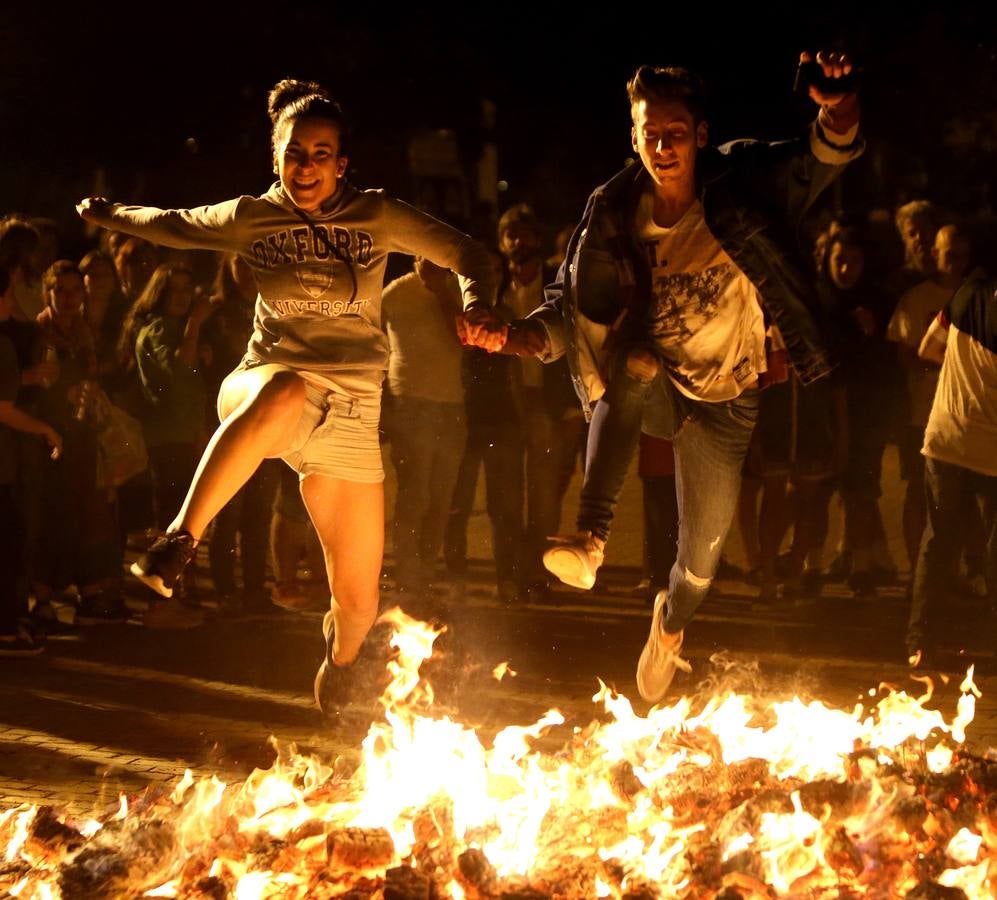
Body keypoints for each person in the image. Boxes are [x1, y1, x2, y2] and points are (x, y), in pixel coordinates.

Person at [77, 78, 496, 715]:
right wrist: (107, 214)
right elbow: (170, 225)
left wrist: (477, 306)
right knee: (286, 386)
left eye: (321, 154)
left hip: (351, 417)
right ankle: (179, 542)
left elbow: (468, 252)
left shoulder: (376, 216)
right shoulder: (253, 217)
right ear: (277, 158)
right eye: (295, 153)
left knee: (358, 605)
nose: (307, 166)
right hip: (264, 389)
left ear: (341, 163)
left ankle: (341, 660)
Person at [466, 52, 862, 702]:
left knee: (698, 564)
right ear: (632, 137)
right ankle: (591, 536)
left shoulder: (739, 183)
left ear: (700, 136)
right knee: (639, 359)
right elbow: (571, 304)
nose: (661, 144)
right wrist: (520, 336)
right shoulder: (611, 208)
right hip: (653, 389)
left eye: (674, 131)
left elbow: (817, 159)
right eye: (648, 132)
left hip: (725, 400)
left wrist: (837, 108)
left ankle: (669, 627)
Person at [905, 272, 997, 666]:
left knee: (938, 540)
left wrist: (963, 373)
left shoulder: (967, 292)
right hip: (992, 447)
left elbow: (927, 348)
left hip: (945, 436)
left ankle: (920, 643)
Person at [887, 224, 973, 577]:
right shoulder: (917, 299)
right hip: (924, 415)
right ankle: (915, 571)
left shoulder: (977, 296)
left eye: (961, 255)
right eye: (948, 253)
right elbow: (906, 353)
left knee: (962, 498)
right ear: (935, 254)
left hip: (966, 418)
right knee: (919, 495)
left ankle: (953, 573)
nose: (955, 261)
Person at [382, 257, 466, 603]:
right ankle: (407, 575)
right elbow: (373, 345)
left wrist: (445, 296)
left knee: (441, 496)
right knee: (414, 494)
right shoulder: (394, 295)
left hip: (451, 405)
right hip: (411, 404)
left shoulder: (456, 294)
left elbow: (464, 340)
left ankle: (425, 574)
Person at [0, 256, 62, 654]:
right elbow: (3, 408)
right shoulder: (3, 343)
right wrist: (46, 430)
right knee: (9, 539)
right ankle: (5, 628)